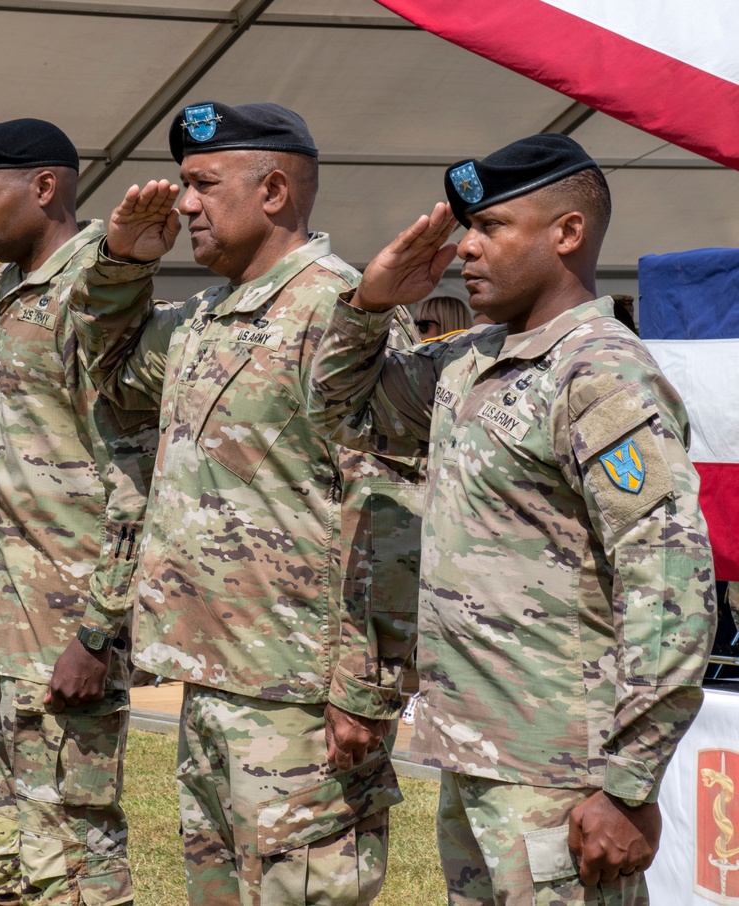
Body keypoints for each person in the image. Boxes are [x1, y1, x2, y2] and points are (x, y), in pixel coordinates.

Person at [307, 133, 717, 903]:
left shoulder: (599, 374)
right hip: (477, 757)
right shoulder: (470, 360)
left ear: (567, 233)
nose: (466, 248)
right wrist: (369, 303)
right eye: (469, 228)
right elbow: (340, 411)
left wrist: (628, 787)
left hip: (563, 776)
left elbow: (670, 586)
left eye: (492, 227)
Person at [71, 101, 410, 906]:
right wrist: (121, 264)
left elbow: (391, 506)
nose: (184, 204)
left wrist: (363, 688)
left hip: (299, 696)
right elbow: (112, 379)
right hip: (215, 676)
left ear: (275, 190)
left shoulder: (343, 312)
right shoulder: (200, 320)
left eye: (203, 184)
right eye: (184, 185)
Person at [0, 118, 159, 906]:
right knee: (16, 835)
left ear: (45, 189)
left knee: (77, 841)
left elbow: (134, 478)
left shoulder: (95, 288)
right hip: (5, 616)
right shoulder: (6, 287)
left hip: (65, 622)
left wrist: (97, 631)